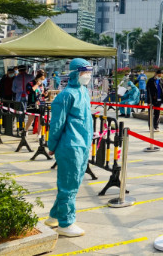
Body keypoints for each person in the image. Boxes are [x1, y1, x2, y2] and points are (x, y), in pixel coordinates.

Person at [45, 58, 93, 237]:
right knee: (69, 185)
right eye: (84, 72)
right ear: (74, 74)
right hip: (70, 146)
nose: (87, 76)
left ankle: (54, 216)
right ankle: (66, 223)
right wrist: (52, 145)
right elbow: (56, 124)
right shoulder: (65, 96)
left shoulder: (84, 92)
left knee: (73, 182)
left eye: (89, 72)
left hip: (82, 144)